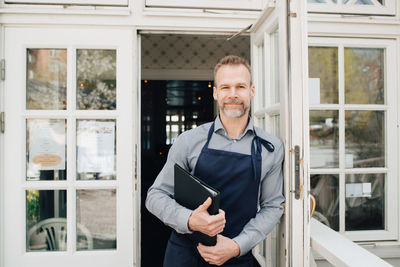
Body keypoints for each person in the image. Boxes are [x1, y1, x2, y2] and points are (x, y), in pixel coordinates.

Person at [146, 55, 284, 267]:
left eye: (240, 86)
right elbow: (155, 196)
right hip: (185, 255)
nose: (233, 94)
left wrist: (237, 246)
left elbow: (273, 206)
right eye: (225, 87)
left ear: (252, 91)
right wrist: (190, 219)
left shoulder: (270, 147)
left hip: (236, 256)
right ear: (216, 93)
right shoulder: (189, 141)